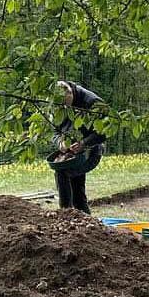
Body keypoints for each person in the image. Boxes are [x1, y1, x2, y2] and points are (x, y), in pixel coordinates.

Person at [50, 80, 107, 214]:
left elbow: (105, 131)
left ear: (70, 93)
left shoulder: (92, 102)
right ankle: (84, 225)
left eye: (65, 104)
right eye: (60, 106)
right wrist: (59, 142)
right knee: (78, 196)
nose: (63, 108)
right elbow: (53, 131)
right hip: (69, 154)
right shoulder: (56, 104)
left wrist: (84, 143)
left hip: (91, 151)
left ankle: (65, 216)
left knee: (63, 173)